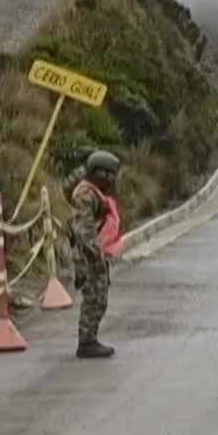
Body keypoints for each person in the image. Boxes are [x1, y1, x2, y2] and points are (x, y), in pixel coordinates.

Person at [68, 150, 122, 358]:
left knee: (100, 296)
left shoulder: (93, 193)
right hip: (87, 256)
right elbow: (84, 230)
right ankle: (86, 342)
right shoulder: (85, 195)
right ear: (100, 174)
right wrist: (95, 256)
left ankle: (90, 338)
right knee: (94, 297)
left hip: (93, 253)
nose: (112, 181)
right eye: (109, 175)